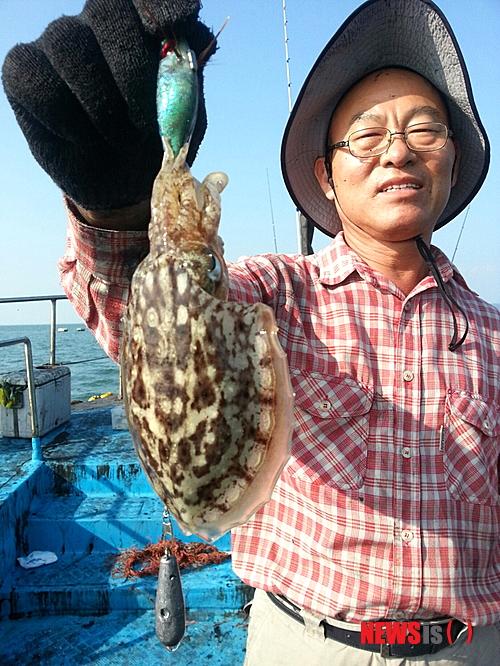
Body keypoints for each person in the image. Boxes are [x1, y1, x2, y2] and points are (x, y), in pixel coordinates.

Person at [3, 0, 500, 663]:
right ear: (327, 174)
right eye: (369, 134)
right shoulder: (278, 292)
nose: (399, 150)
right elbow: (150, 314)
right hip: (306, 644)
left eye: (423, 129)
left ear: (453, 159)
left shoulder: (493, 336)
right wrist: (117, 204)